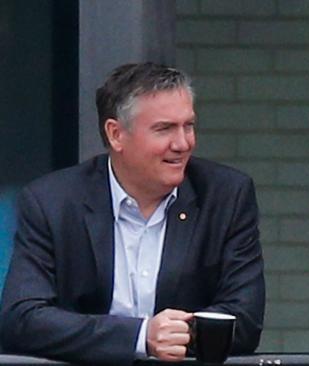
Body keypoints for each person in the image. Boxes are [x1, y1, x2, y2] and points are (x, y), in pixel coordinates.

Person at [0, 63, 265, 365]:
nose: (183, 143)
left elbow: (244, 319)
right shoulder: (53, 202)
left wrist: (179, 335)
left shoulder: (226, 196)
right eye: (164, 128)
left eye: (188, 126)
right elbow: (22, 319)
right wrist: (141, 337)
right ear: (116, 134)